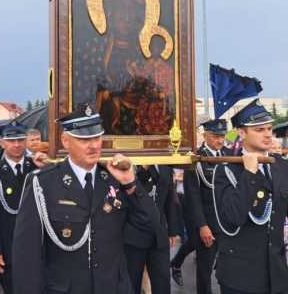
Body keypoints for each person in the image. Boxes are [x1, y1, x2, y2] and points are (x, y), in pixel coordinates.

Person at [12, 103, 155, 294]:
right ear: (66, 141)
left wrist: (130, 183)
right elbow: (26, 255)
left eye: (97, 137)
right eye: (84, 139)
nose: (94, 145)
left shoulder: (115, 178)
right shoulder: (43, 183)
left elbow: (149, 227)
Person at [213, 99, 288, 294]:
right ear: (241, 132)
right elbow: (233, 217)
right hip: (241, 277)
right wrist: (250, 175)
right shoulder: (226, 170)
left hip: (277, 274)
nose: (267, 134)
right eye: (259, 129)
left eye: (269, 129)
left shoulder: (281, 166)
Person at [174, 119, 230, 294]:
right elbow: (193, 197)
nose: (220, 140)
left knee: (228, 270)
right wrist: (202, 225)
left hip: (227, 223)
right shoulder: (197, 158)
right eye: (215, 136)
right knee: (205, 272)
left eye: (222, 136)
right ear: (205, 136)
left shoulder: (229, 155)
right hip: (208, 223)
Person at [0, 124, 37, 294]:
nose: (16, 144)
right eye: (11, 141)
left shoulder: (38, 169)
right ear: (2, 143)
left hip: (36, 246)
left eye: (20, 140)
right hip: (8, 249)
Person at [124, 164, 179, 294]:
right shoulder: (130, 162)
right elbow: (129, 187)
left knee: (162, 282)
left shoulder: (165, 164)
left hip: (159, 234)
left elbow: (169, 196)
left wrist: (172, 230)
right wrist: (144, 167)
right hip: (134, 233)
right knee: (132, 282)